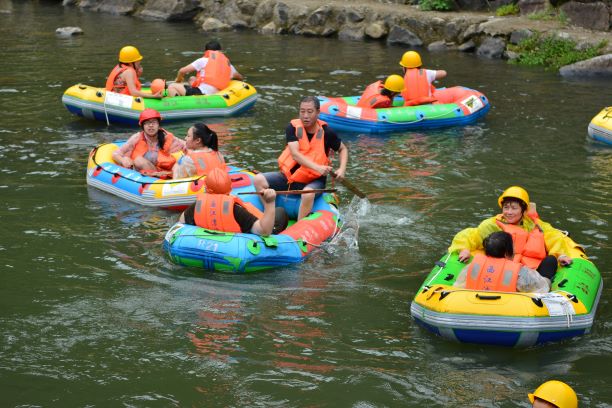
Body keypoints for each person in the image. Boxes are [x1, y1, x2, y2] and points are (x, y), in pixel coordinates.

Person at [449, 186, 585, 281]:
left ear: (523, 210)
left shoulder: (535, 225)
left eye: (514, 208)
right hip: (501, 270)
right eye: (506, 207)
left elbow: (553, 236)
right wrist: (464, 249)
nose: (509, 212)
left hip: (530, 272)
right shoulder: (492, 224)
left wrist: (560, 255)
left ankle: (541, 290)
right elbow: (471, 235)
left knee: (550, 261)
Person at [253, 96, 349, 220]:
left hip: (314, 181)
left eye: (310, 112)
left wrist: (342, 169)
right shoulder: (292, 128)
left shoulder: (327, 133)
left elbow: (343, 149)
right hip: (291, 178)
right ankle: (270, 216)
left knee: (307, 194)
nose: (305, 116)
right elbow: (295, 154)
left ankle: (299, 227)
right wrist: (318, 167)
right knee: (258, 180)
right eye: (302, 111)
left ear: (318, 112)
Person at [179, 168, 280, 236]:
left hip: (199, 245)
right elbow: (264, 231)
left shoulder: (196, 206)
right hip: (236, 248)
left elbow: (181, 222)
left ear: (205, 188)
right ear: (230, 188)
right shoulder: (235, 210)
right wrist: (270, 203)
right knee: (280, 212)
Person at [454, 231, 551, 293]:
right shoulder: (521, 273)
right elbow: (543, 288)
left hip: (473, 305)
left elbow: (458, 287)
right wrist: (548, 281)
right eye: (512, 246)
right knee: (550, 263)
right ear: (506, 253)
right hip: (509, 309)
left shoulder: (471, 267)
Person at [112, 109, 185, 175]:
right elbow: (115, 154)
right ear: (142, 126)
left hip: (164, 173)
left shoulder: (167, 137)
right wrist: (122, 160)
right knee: (138, 160)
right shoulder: (136, 138)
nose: (151, 125)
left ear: (158, 125)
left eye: (154, 122)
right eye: (147, 123)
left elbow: (186, 145)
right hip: (142, 173)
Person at [167, 40, 243, 97]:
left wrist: (178, 80)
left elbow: (182, 71)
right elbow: (239, 77)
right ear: (220, 51)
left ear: (206, 51)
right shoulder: (228, 65)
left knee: (172, 86)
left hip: (203, 93)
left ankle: (180, 103)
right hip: (218, 93)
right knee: (192, 79)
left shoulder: (203, 60)